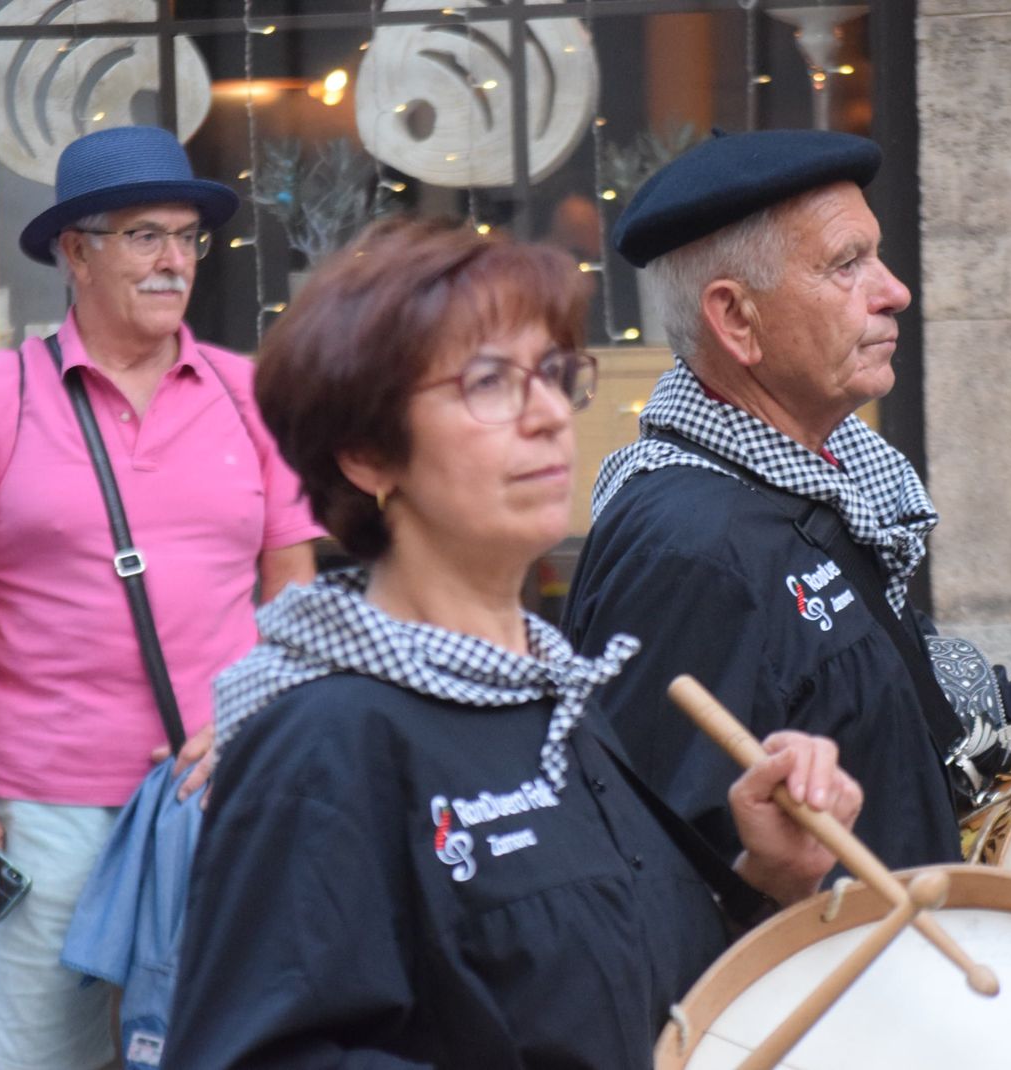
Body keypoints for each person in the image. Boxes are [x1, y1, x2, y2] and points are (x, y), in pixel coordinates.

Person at [163, 218, 862, 1068]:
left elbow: (632, 999)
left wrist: (771, 879)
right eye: (489, 383)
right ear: (367, 454)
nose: (545, 416)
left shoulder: (551, 697)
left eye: (555, 375)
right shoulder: (326, 741)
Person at [562, 128, 1011, 871]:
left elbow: (892, 708)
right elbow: (654, 867)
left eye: (874, 255)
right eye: (847, 265)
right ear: (736, 320)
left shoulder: (812, 481)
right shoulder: (692, 547)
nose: (895, 291)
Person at [0, 125, 321, 1070]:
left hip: (214, 789)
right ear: (74, 250)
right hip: (48, 804)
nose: (174, 259)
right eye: (143, 235)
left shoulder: (249, 392)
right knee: (48, 1058)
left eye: (186, 236)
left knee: (228, 1051)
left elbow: (293, 587)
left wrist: (256, 715)